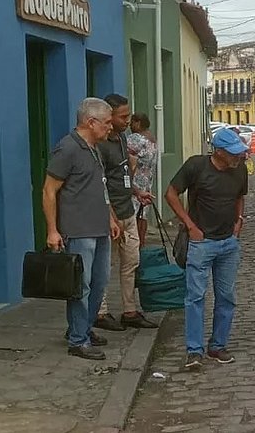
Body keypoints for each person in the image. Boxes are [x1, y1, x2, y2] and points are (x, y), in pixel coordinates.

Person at [42, 98, 121, 360]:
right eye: (107, 122)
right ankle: (78, 339)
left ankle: (84, 328)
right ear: (91, 122)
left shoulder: (94, 148)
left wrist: (110, 217)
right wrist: (53, 230)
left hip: (99, 228)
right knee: (81, 286)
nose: (110, 128)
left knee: (99, 284)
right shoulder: (67, 149)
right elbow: (49, 190)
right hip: (78, 229)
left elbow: (100, 186)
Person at [165, 128, 248, 370]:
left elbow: (240, 195)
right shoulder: (196, 167)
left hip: (228, 243)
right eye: (233, 154)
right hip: (201, 242)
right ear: (218, 152)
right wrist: (189, 225)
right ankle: (194, 350)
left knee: (226, 297)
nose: (237, 158)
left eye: (239, 154)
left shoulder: (239, 169)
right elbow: (171, 193)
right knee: (195, 297)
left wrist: (239, 221)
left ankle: (217, 345)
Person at [94, 95, 158, 332]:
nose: (128, 120)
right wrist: (109, 215)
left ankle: (129, 311)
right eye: (123, 116)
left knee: (131, 261)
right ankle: (99, 313)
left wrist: (137, 190)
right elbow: (99, 183)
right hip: (109, 215)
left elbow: (123, 173)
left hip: (127, 208)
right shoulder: (99, 145)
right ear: (109, 116)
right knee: (104, 266)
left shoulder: (122, 139)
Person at [128, 112, 158, 247]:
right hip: (146, 183)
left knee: (132, 218)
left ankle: (134, 246)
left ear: (138, 123)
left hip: (135, 184)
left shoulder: (136, 139)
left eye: (132, 122)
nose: (129, 125)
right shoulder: (151, 138)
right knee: (142, 216)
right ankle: (141, 246)